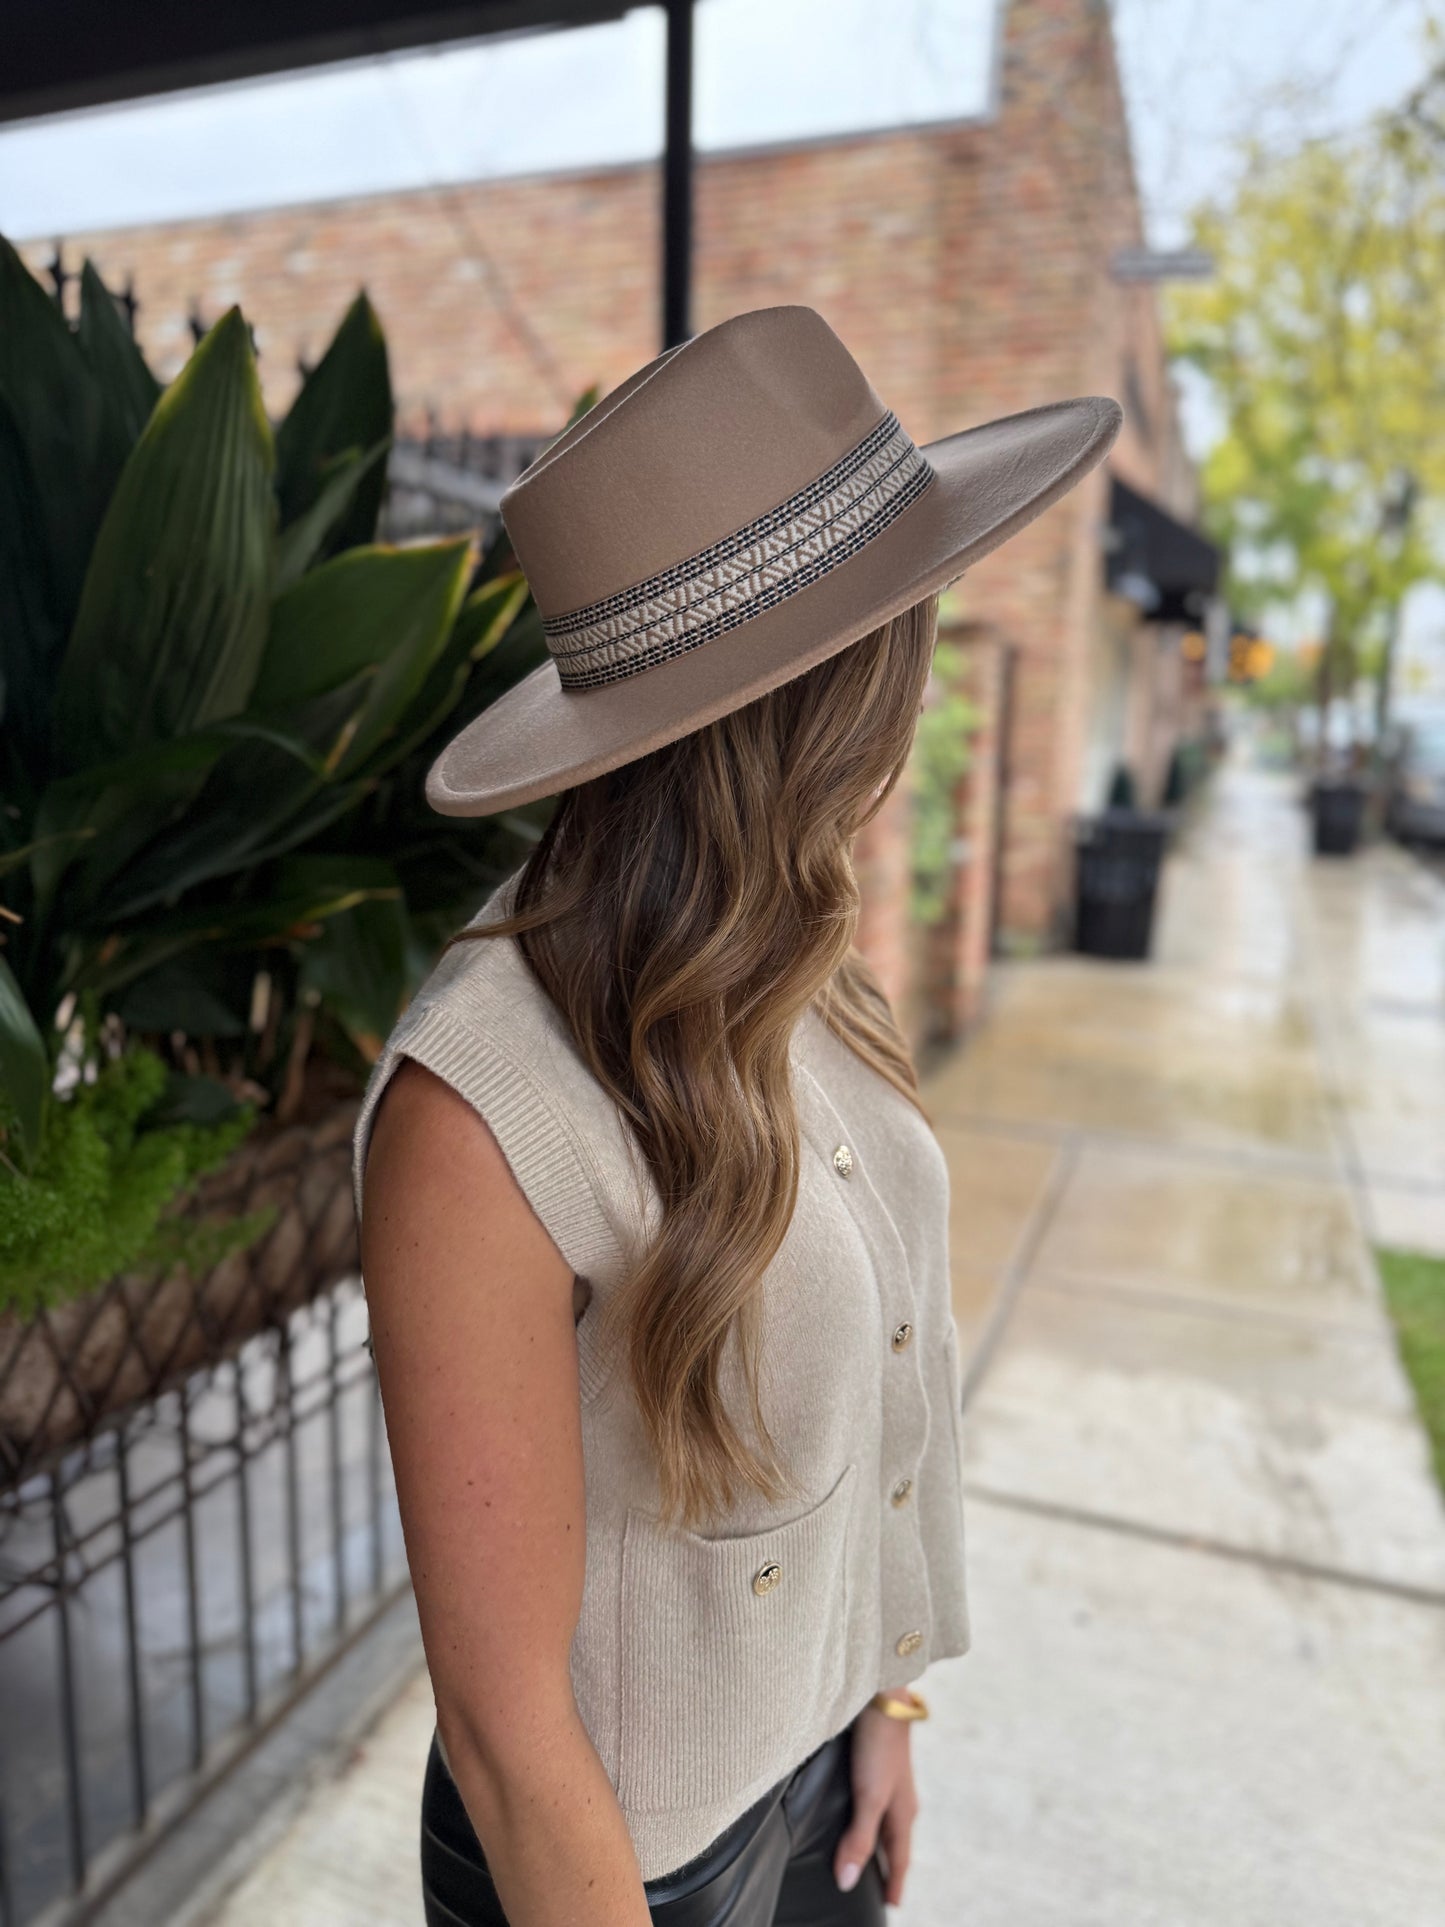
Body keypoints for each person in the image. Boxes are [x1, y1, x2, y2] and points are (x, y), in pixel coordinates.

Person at [353, 305, 1120, 1925]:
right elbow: (502, 1733)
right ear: (828, 696)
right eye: (906, 621)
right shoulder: (481, 1115)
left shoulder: (802, 961)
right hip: (618, 1866)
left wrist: (885, 1705)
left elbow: (901, 1373)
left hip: (821, 1774)